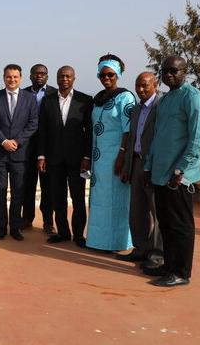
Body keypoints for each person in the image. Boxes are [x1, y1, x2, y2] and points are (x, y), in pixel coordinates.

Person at [144, 56, 200, 287]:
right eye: (165, 71)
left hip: (179, 176)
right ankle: (169, 266)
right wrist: (149, 166)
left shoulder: (193, 98)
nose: (169, 75)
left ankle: (181, 272)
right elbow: (159, 136)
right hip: (160, 173)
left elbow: (197, 139)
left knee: (180, 225)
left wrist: (181, 169)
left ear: (185, 71)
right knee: (166, 223)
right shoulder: (166, 99)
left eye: (174, 71)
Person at [37, 66, 92, 247]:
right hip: (54, 159)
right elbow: (43, 130)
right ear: (56, 78)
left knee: (78, 199)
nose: (65, 79)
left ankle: (78, 235)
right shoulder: (47, 101)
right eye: (61, 76)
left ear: (74, 78)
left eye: (68, 76)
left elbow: (89, 132)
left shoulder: (85, 101)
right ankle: (63, 233)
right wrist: (41, 155)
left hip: (77, 160)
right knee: (57, 198)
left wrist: (87, 157)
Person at [86, 54, 136, 252]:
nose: (106, 78)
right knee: (100, 201)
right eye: (102, 75)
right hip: (98, 162)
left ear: (118, 75)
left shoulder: (125, 98)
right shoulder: (98, 99)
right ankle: (98, 241)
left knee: (116, 201)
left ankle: (116, 242)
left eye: (110, 74)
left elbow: (128, 130)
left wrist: (122, 156)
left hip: (116, 158)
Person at [0, 64, 38, 241]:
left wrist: (17, 141)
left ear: (21, 78)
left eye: (15, 77)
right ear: (4, 78)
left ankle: (15, 227)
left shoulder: (29, 99)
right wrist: (4, 141)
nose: (12, 80)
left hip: (20, 154)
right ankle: (1, 227)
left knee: (18, 192)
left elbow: (33, 123)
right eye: (9, 76)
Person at [117, 72, 163, 269]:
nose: (141, 89)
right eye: (138, 86)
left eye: (145, 85)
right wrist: (127, 167)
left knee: (157, 212)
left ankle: (157, 255)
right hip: (136, 164)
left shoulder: (161, 107)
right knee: (137, 211)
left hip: (153, 166)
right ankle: (140, 249)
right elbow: (132, 140)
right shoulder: (136, 109)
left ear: (155, 85)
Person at [22, 63, 57, 233]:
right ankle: (26, 219)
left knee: (47, 187)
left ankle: (48, 222)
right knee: (27, 185)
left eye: (43, 73)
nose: (39, 76)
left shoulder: (55, 94)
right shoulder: (23, 94)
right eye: (36, 73)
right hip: (27, 146)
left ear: (47, 76)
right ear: (30, 76)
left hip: (48, 147)